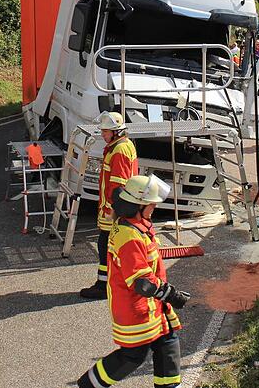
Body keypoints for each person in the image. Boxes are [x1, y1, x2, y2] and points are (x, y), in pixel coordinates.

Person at [76, 174, 190, 388]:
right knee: (133, 356)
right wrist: (171, 294)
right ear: (138, 206)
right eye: (151, 205)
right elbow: (142, 282)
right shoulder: (129, 236)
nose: (154, 208)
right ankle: (88, 385)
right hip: (136, 308)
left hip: (150, 306)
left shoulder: (137, 225)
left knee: (167, 342)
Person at [79, 111, 137, 299]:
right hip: (117, 209)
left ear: (116, 132)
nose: (102, 135)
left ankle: (103, 285)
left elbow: (118, 185)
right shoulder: (122, 145)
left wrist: (112, 210)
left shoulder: (118, 150)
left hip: (113, 211)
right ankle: (111, 282)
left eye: (105, 131)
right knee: (110, 246)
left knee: (105, 246)